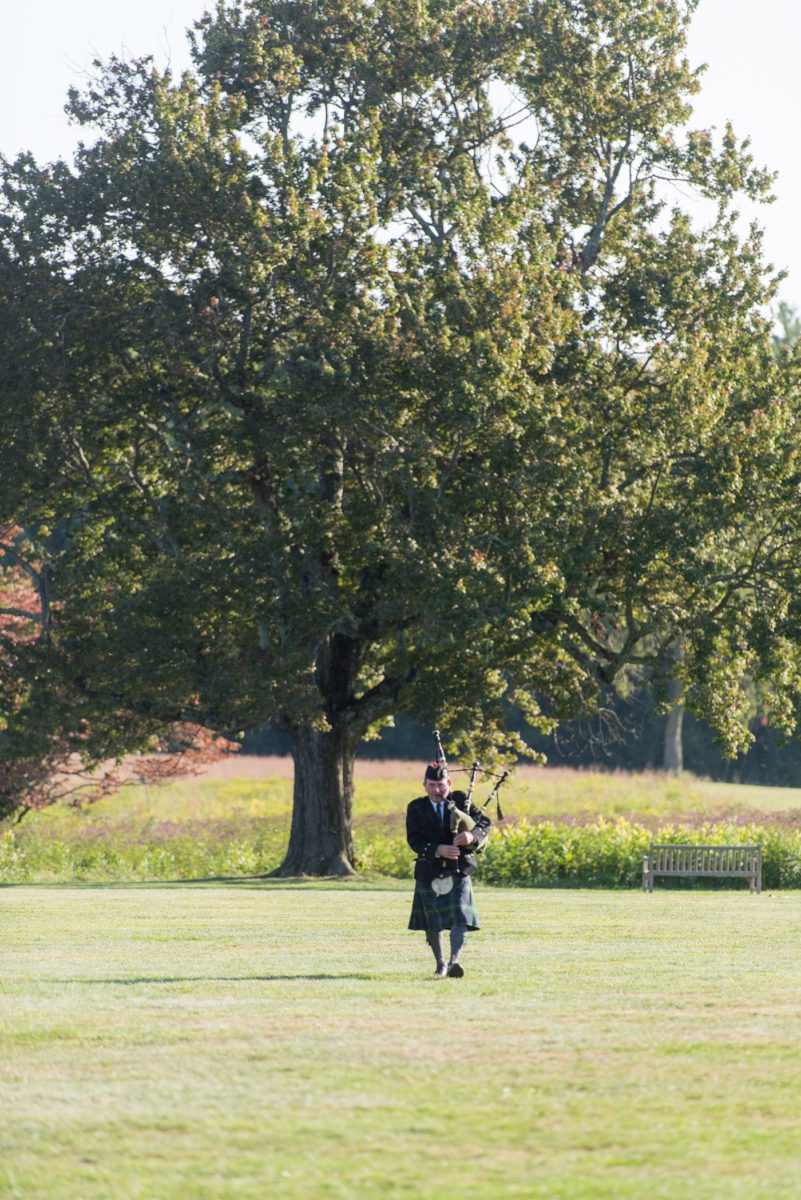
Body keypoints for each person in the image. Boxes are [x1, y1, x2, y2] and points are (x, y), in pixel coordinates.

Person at [406, 762, 491, 978]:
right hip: (429, 870)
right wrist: (437, 849)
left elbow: (484, 824)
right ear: (424, 785)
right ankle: (440, 964)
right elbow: (414, 840)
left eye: (441, 785)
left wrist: (472, 837)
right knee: (432, 922)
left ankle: (455, 962)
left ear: (449, 784)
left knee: (460, 917)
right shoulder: (416, 807)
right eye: (432, 785)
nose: (437, 790)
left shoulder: (462, 801)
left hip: (458, 870)